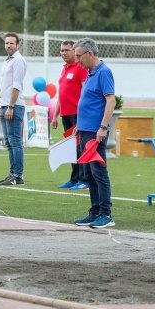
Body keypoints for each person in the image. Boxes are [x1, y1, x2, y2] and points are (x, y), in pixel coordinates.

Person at [72, 38, 116, 229]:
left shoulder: (104, 72)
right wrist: (79, 126)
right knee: (89, 173)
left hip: (95, 133)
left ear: (90, 54)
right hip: (85, 131)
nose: (77, 61)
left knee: (99, 173)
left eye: (79, 56)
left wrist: (103, 127)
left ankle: (106, 214)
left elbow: (110, 100)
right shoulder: (90, 73)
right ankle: (95, 211)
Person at [51, 40, 88, 190]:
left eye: (67, 50)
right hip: (66, 115)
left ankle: (84, 180)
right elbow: (61, 94)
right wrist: (55, 115)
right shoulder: (64, 69)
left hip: (76, 114)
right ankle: (74, 178)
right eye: (62, 50)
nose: (64, 53)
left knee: (80, 148)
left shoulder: (80, 68)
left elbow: (85, 92)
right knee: (71, 149)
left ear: (74, 52)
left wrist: (82, 115)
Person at [0, 32, 27, 185]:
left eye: (11, 43)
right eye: (6, 43)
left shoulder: (18, 61)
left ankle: (17, 175)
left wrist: (10, 106)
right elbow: (4, 86)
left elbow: (16, 85)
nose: (8, 45)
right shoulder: (7, 61)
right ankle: (12, 173)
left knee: (15, 141)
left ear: (17, 45)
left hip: (13, 106)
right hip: (4, 105)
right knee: (8, 142)